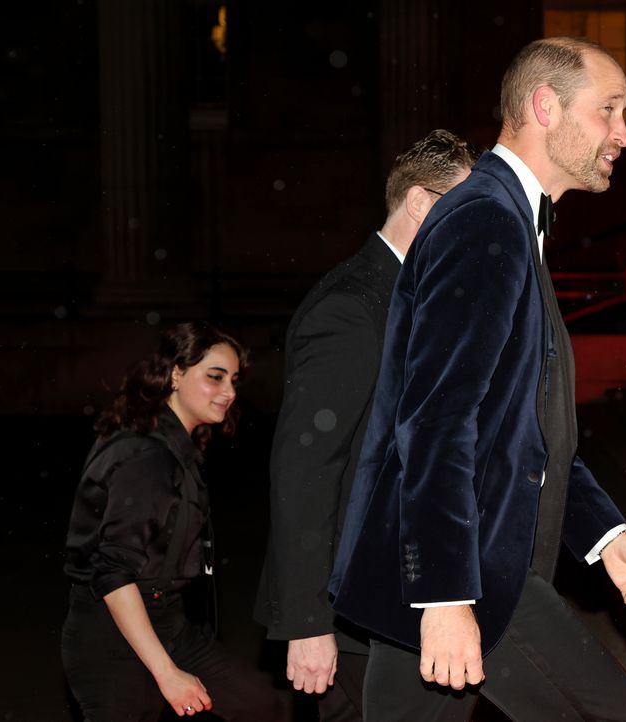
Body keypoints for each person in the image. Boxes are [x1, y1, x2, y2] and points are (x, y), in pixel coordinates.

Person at [328, 37, 626, 721]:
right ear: (545, 105)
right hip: (474, 572)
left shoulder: (508, 219)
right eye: (609, 109)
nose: (624, 134)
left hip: (466, 564)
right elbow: (436, 418)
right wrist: (446, 595)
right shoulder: (487, 219)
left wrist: (605, 539)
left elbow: (522, 433)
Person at [254, 129, 481, 721]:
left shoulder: (414, 295)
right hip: (349, 610)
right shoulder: (353, 306)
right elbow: (306, 467)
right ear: (418, 202)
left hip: (392, 596)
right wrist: (307, 623)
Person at [61, 322, 286, 722]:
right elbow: (112, 574)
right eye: (215, 377)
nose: (230, 392)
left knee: (260, 705)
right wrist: (166, 674)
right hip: (115, 637)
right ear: (176, 374)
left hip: (171, 623)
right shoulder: (147, 455)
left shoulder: (169, 443)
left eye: (234, 380)